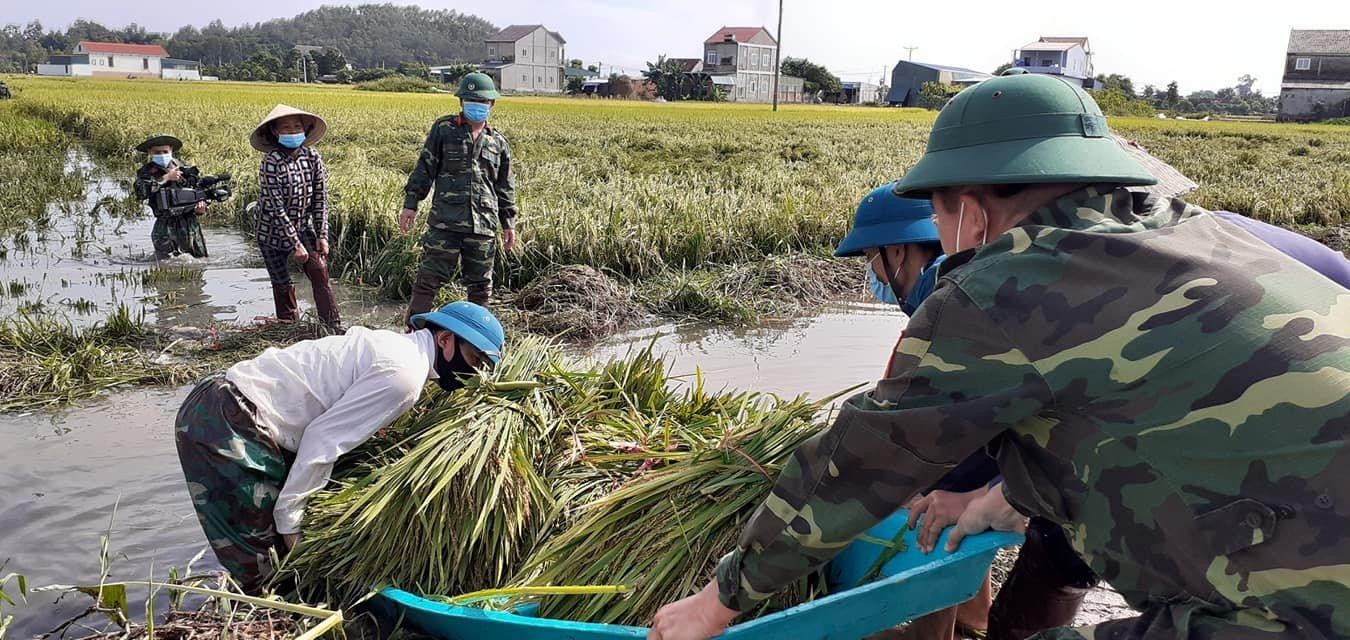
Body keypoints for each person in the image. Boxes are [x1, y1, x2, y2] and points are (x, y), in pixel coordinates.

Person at [647, 71, 1350, 640]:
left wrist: (714, 605)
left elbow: (857, 465)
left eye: (943, 211)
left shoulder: (1002, 288)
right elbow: (1126, 428)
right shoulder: (1205, 233)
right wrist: (1003, 499)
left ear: (970, 214)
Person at [174, 301, 504, 594]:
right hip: (229, 423)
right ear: (444, 339)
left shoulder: (398, 349)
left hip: (231, 406)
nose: (473, 373)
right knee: (264, 572)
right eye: (474, 359)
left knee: (269, 555)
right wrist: (291, 524)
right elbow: (322, 441)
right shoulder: (405, 377)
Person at [399, 71, 518, 316]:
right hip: (445, 223)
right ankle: (414, 334)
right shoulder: (444, 129)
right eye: (471, 101)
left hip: (482, 227)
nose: (477, 106)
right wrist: (411, 204)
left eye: (482, 102)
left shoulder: (498, 143)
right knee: (428, 281)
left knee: (480, 288)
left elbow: (504, 187)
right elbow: (425, 167)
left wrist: (509, 224)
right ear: (461, 102)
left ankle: (474, 343)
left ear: (491, 104)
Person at [250, 104, 341, 329]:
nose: (293, 132)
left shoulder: (312, 157)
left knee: (319, 270)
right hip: (271, 231)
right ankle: (289, 327)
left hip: (302, 225)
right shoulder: (271, 162)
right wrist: (295, 245)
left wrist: (322, 235)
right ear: (275, 132)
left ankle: (332, 325)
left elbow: (320, 199)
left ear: (305, 129)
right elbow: (276, 207)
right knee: (282, 281)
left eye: (297, 126)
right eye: (286, 128)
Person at [133, 134, 210, 260]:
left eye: (165, 151)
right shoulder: (146, 172)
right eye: (157, 152)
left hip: (191, 226)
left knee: (200, 263)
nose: (162, 155)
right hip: (165, 227)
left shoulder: (186, 169)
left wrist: (201, 209)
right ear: (149, 152)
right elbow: (141, 193)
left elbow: (200, 194)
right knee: (165, 264)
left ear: (171, 151)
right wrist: (166, 178)